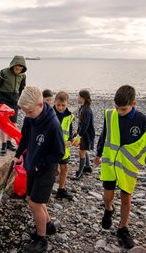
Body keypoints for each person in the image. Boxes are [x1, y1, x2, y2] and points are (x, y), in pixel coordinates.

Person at [94, 85, 146, 249]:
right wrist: (98, 154)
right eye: (117, 108)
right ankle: (109, 208)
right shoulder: (110, 115)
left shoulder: (141, 120)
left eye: (124, 109)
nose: (119, 112)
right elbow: (104, 136)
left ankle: (123, 228)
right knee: (107, 196)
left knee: (126, 198)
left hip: (127, 166)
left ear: (133, 104)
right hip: (110, 164)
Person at [13, 86, 65, 253]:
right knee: (31, 199)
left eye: (29, 112)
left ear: (41, 104)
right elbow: (25, 138)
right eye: (24, 113)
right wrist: (18, 154)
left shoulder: (53, 124)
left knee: (35, 204)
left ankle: (41, 239)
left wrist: (39, 164)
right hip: (31, 165)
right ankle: (48, 225)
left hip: (46, 169)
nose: (27, 116)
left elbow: (59, 153)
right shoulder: (30, 118)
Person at [0, 55, 27, 155]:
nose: (18, 71)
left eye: (20, 69)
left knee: (13, 122)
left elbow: (22, 89)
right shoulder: (4, 72)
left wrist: (21, 99)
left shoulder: (23, 75)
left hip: (15, 99)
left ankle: (9, 142)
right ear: (13, 66)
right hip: (3, 97)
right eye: (16, 69)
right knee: (3, 122)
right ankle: (3, 145)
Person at [53, 91, 74, 200]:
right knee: (51, 169)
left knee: (64, 168)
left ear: (67, 104)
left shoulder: (69, 116)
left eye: (63, 105)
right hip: (52, 148)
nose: (60, 108)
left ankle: (61, 189)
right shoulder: (50, 113)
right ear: (54, 102)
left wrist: (70, 140)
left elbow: (70, 131)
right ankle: (45, 189)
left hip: (65, 148)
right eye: (58, 105)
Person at [72, 89, 95, 180]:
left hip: (87, 134)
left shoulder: (87, 111)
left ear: (83, 98)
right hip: (83, 133)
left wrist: (79, 135)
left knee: (81, 152)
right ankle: (87, 167)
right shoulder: (82, 108)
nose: (78, 98)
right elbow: (81, 123)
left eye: (79, 97)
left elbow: (85, 125)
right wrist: (77, 131)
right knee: (83, 150)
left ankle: (80, 173)